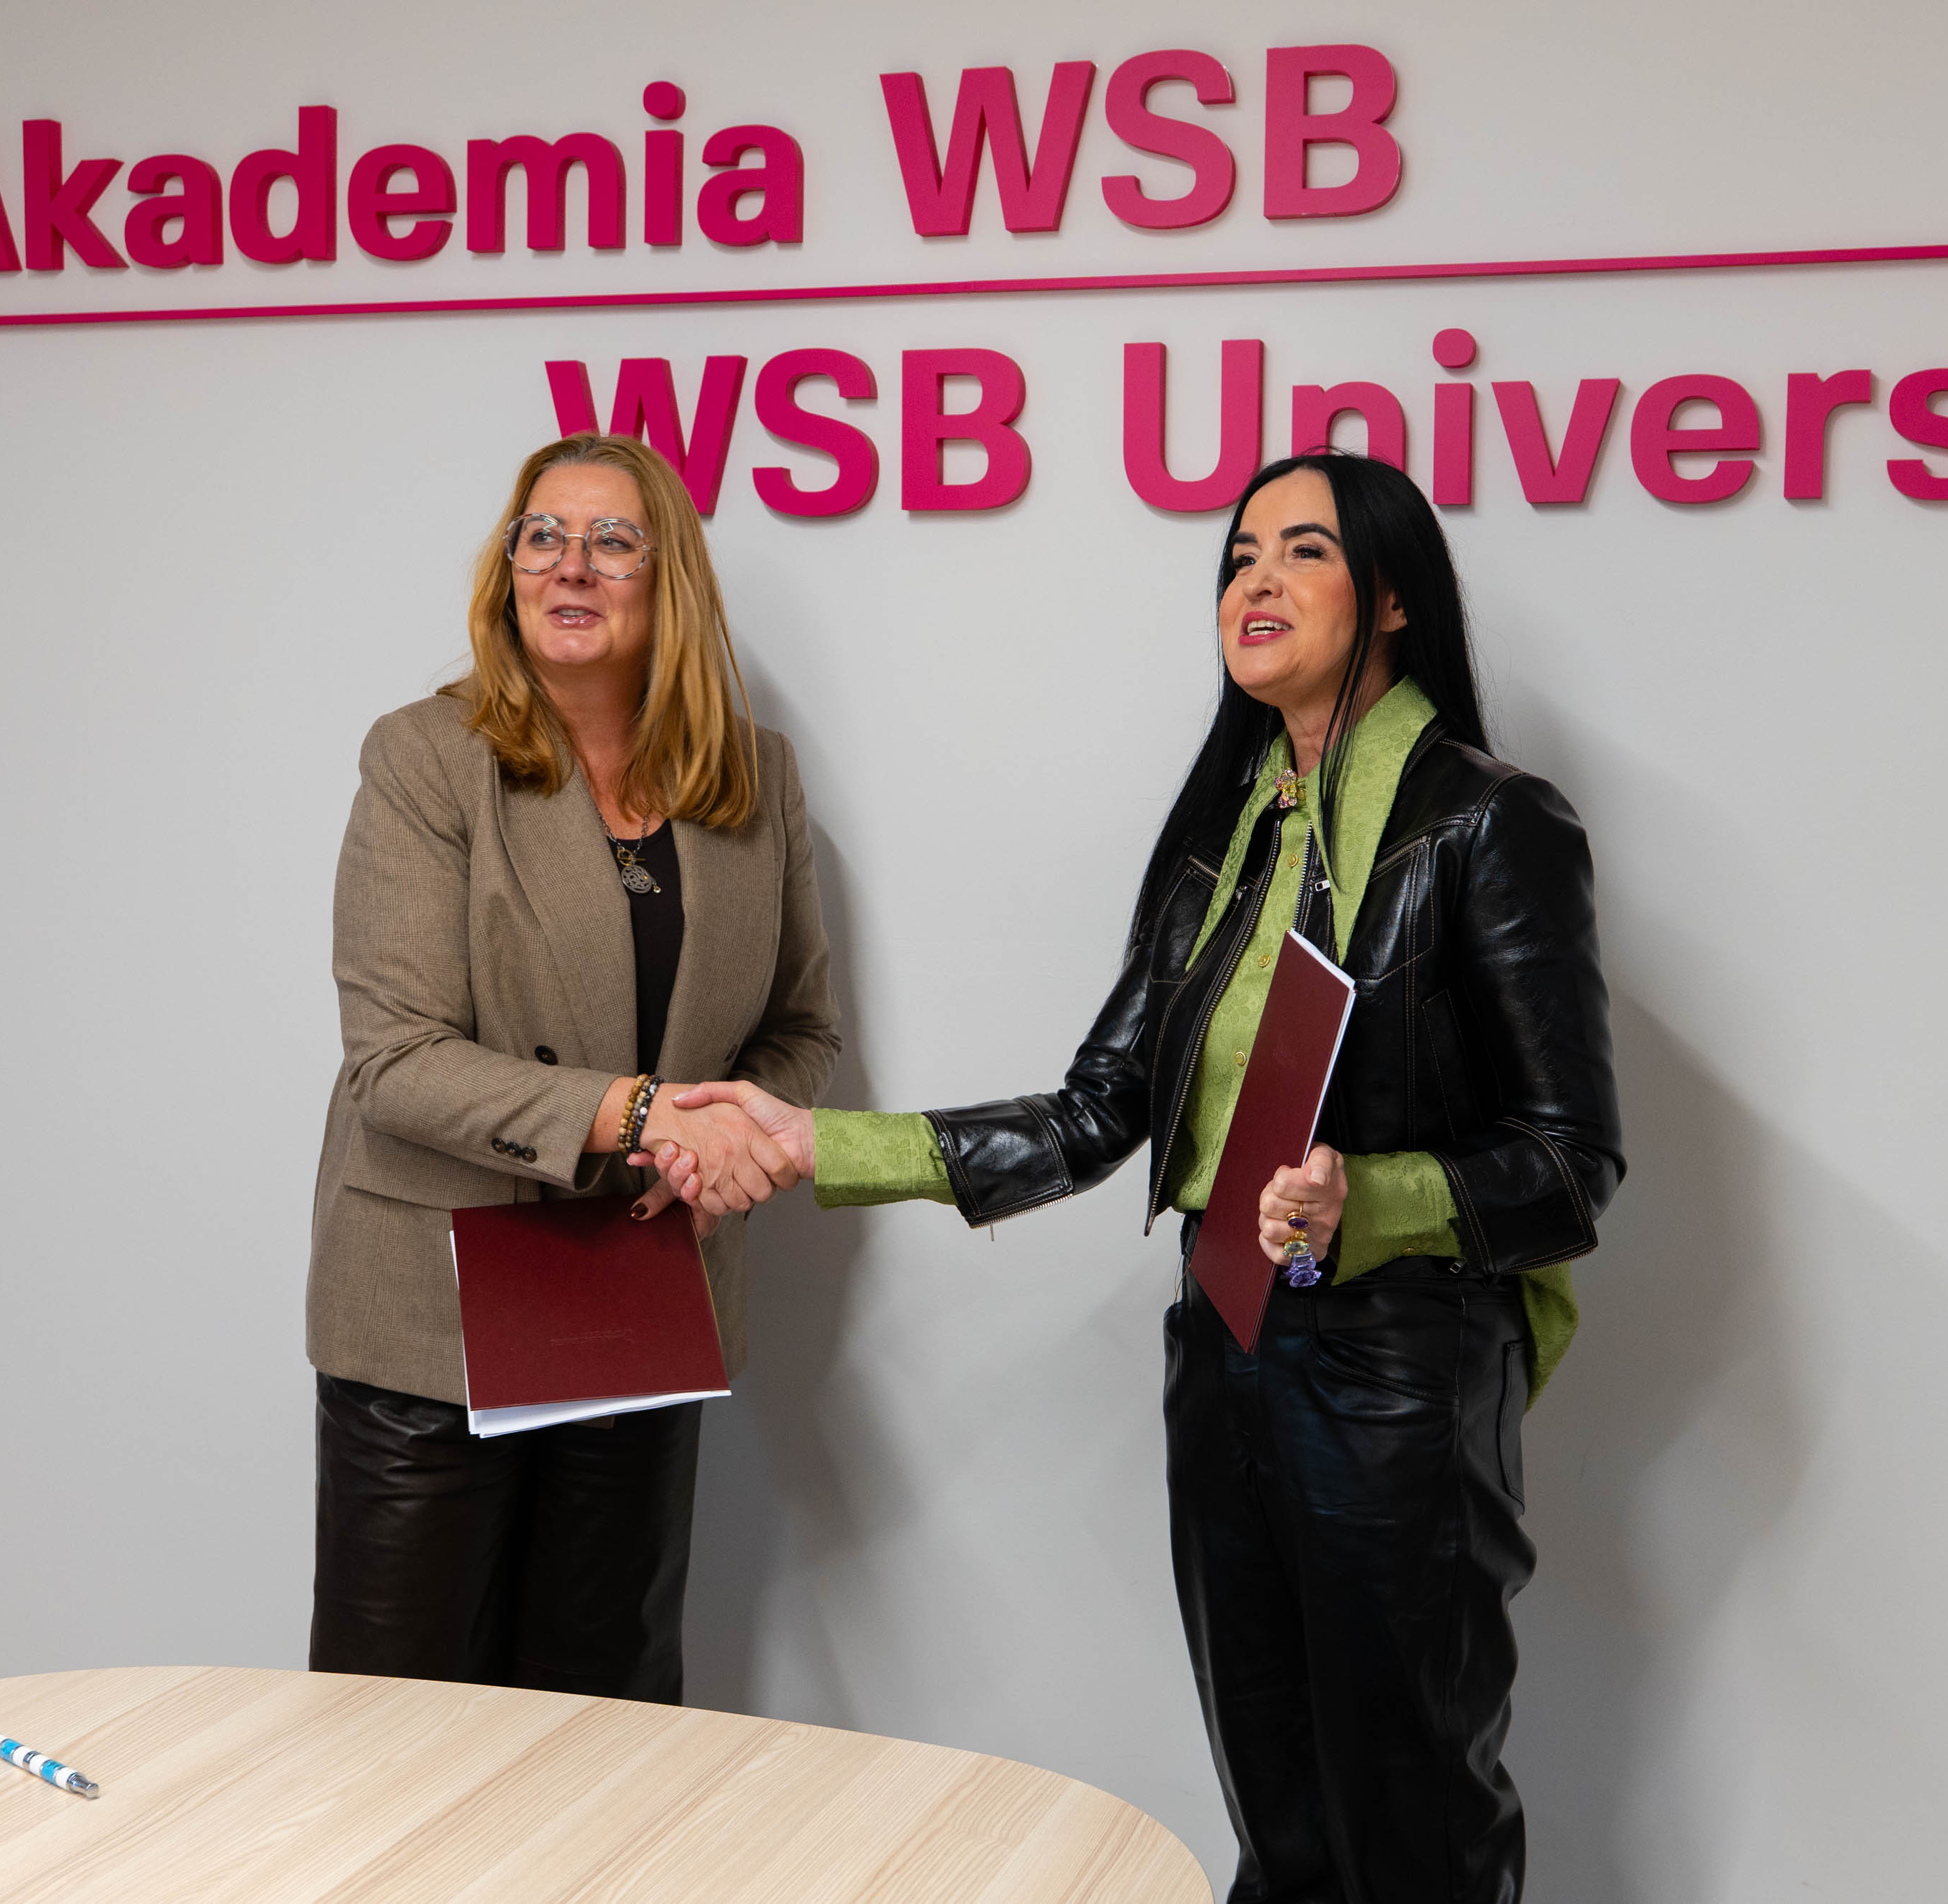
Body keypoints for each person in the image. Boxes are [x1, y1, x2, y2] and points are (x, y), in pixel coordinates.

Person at [661, 451, 1622, 1903]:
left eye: (1303, 551)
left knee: (1412, 1820)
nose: (1256, 580)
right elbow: (1095, 1111)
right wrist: (816, 1143)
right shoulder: (1224, 839)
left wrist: (1369, 1199)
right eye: (1239, 556)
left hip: (1399, 1373)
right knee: (1279, 1818)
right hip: (1225, 1351)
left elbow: (1570, 1162)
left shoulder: (1490, 824)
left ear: (1394, 599)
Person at [304, 432, 837, 1702]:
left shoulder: (753, 775)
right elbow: (396, 1061)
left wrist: (725, 1148)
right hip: (433, 1316)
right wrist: (648, 1114)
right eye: (541, 536)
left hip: (639, 1296)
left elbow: (800, 1033)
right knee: (400, 1723)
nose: (570, 565)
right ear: (508, 571)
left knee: (607, 1721)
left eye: (612, 541)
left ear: (671, 580)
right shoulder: (425, 758)